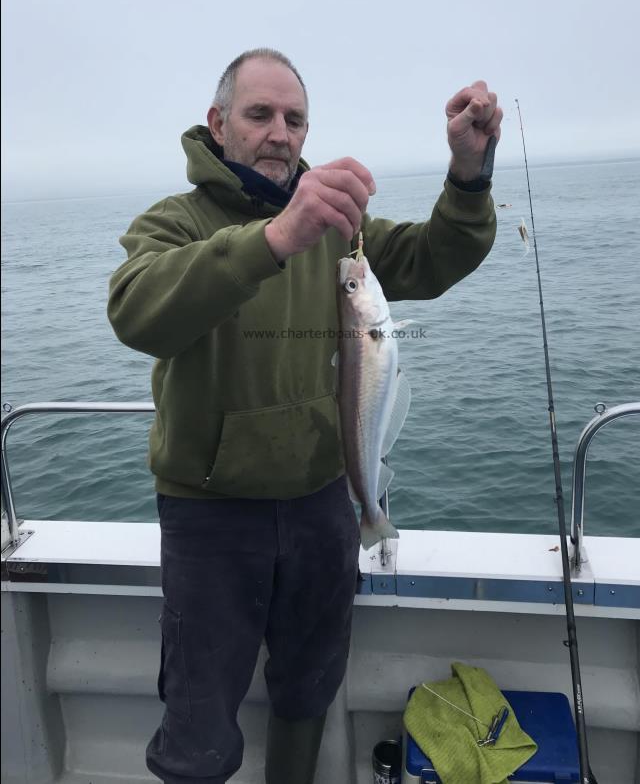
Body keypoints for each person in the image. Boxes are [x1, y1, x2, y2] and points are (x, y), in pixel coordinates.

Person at [108, 48, 501, 784]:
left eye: (294, 119)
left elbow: (431, 257)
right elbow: (137, 311)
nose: (279, 133)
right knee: (198, 710)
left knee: (308, 683)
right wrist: (275, 238)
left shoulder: (340, 230)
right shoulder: (175, 222)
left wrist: (468, 173)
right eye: (259, 115)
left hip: (325, 500)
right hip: (210, 513)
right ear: (218, 123)